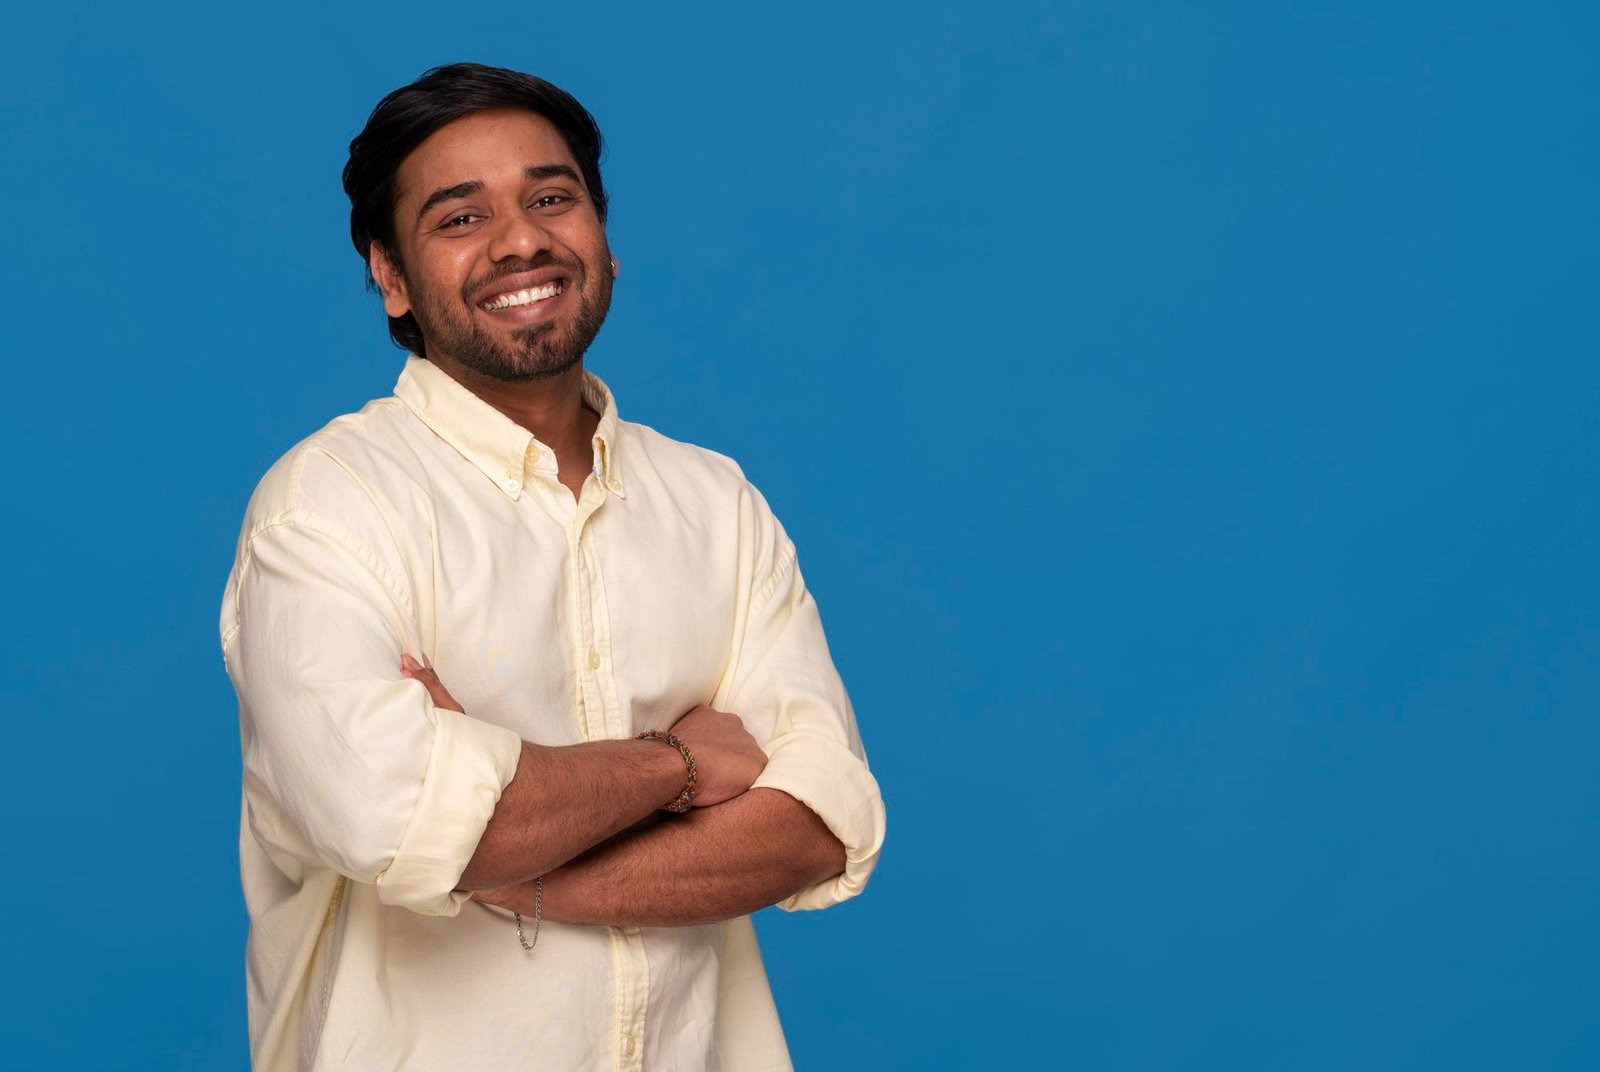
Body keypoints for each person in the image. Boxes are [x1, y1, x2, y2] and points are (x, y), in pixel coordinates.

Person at [218, 62, 885, 1071]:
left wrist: (510, 862)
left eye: (550, 198)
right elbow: (398, 816)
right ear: (390, 276)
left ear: (604, 238)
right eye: (460, 217)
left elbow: (816, 826)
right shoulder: (328, 507)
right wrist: (680, 762)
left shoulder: (717, 505)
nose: (520, 241)